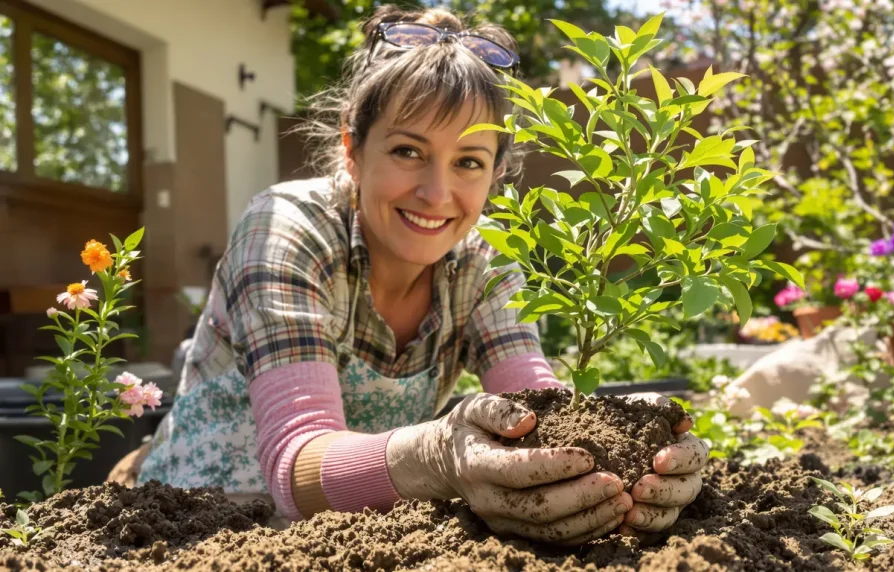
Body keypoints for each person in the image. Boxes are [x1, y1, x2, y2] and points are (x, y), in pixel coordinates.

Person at [121, 4, 708, 545]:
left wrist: (628, 449)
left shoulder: (481, 266)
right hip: (189, 531)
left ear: (496, 174)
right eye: (407, 151)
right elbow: (294, 459)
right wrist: (437, 454)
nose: (436, 193)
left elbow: (533, 405)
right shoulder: (286, 229)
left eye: (469, 162)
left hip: (348, 543)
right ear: (354, 149)